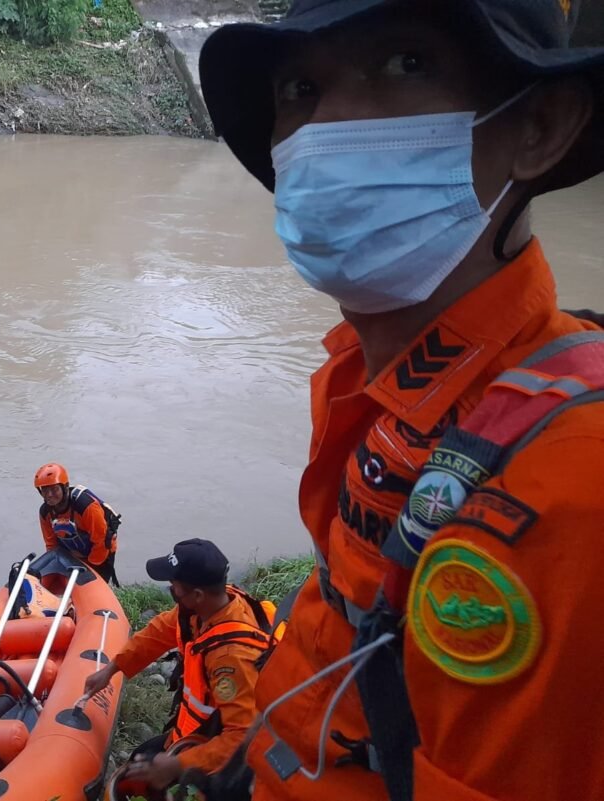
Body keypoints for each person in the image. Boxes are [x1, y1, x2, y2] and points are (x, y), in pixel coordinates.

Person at [196, 1, 604, 799]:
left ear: (540, 126)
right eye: (300, 88)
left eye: (405, 64)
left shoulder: (571, 485)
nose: (328, 125)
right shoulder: (369, 382)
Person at [80, 539, 275, 796]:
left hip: (229, 757)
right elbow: (158, 632)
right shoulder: (202, 608)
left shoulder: (232, 659)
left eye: (174, 588)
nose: (171, 590)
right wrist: (112, 668)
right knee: (140, 760)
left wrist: (177, 765)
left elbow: (243, 739)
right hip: (194, 734)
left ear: (197, 595)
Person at [34, 462, 122, 584]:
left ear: (65, 488)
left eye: (54, 489)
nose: (49, 495)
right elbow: (51, 544)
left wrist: (89, 567)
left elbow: (101, 541)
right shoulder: (45, 512)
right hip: (72, 550)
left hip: (101, 551)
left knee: (94, 585)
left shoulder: (86, 507)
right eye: (44, 490)